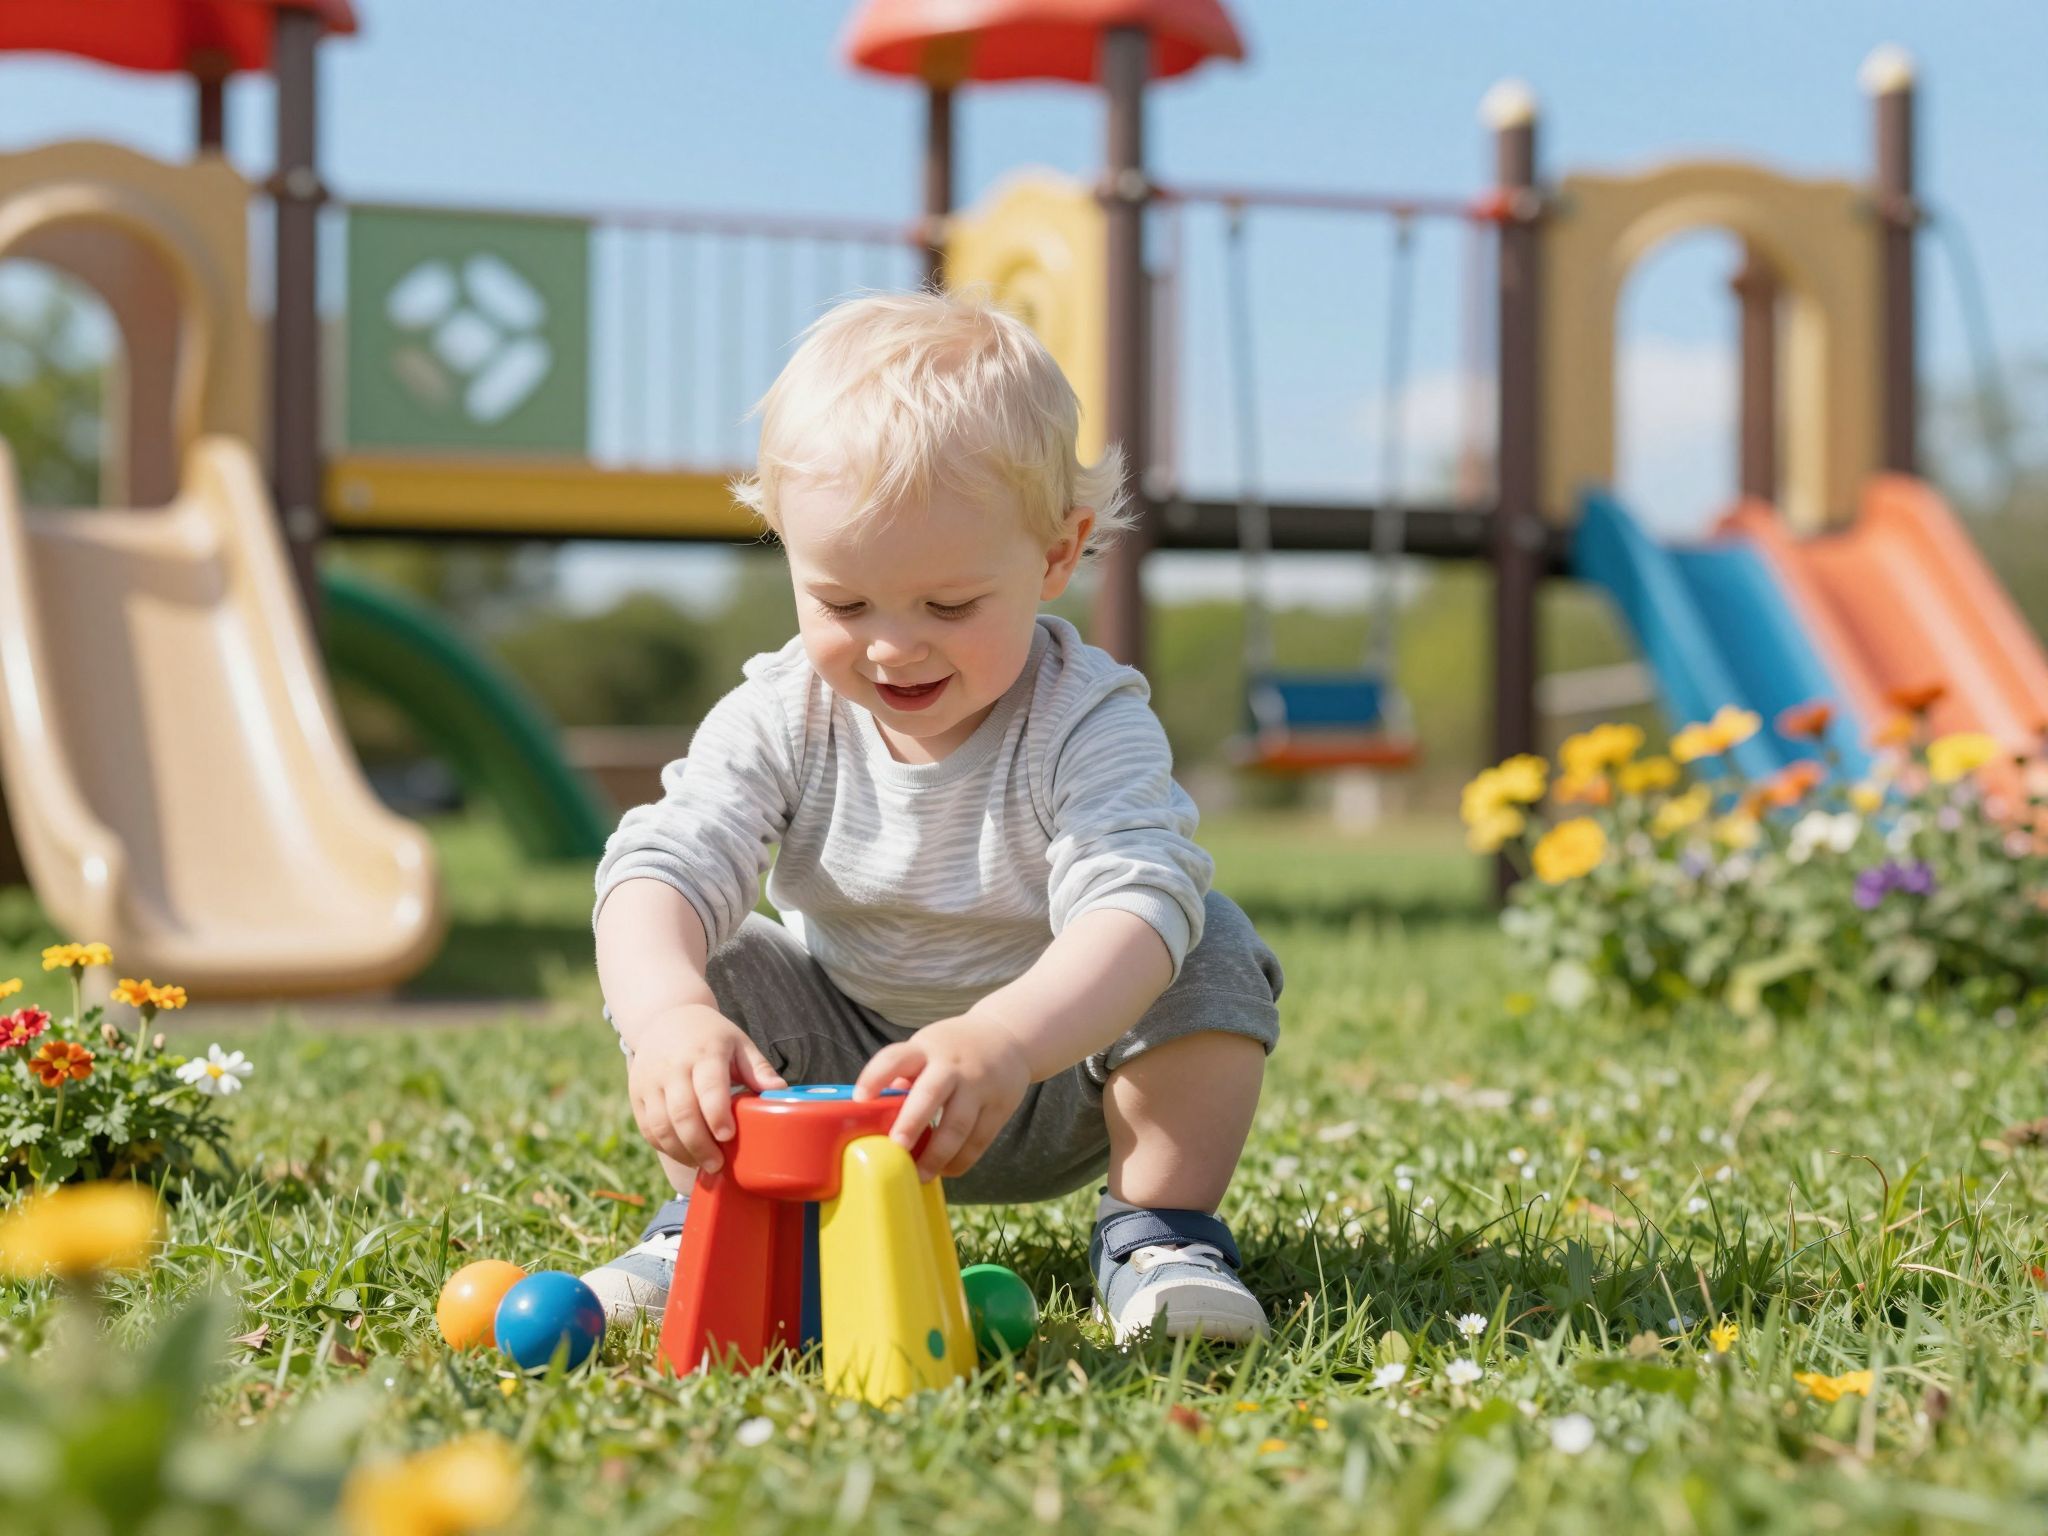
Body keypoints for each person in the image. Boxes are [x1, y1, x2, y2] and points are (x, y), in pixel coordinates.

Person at [584, 288, 1283, 1344]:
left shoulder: (1084, 719)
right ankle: (707, 1222)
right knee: (713, 956)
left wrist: (1002, 1040)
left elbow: (1127, 896)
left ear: (1055, 556)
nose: (892, 647)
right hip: (820, 1093)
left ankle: (1157, 1233)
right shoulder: (782, 712)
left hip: (1051, 1076)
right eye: (842, 603)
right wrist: (669, 1015)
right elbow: (663, 863)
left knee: (1196, 938)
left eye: (947, 607)